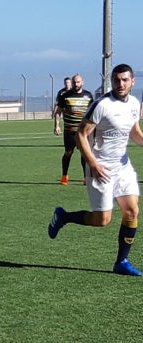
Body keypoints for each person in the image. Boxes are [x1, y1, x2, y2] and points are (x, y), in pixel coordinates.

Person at [48, 63, 143, 276]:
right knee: (102, 220)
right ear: (111, 82)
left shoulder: (135, 104)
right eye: (117, 80)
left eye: (125, 80)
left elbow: (135, 132)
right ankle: (64, 217)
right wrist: (93, 164)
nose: (121, 84)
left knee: (132, 211)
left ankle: (122, 262)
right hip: (100, 167)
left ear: (132, 81)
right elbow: (80, 135)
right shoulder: (102, 105)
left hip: (123, 166)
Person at [53, 74, 93, 185]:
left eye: (78, 82)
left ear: (82, 82)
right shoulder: (65, 96)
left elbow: (93, 113)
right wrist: (56, 125)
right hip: (69, 131)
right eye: (75, 82)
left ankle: (86, 177)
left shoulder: (88, 96)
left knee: (84, 154)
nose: (76, 84)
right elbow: (58, 112)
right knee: (68, 153)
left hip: (83, 131)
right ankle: (64, 176)